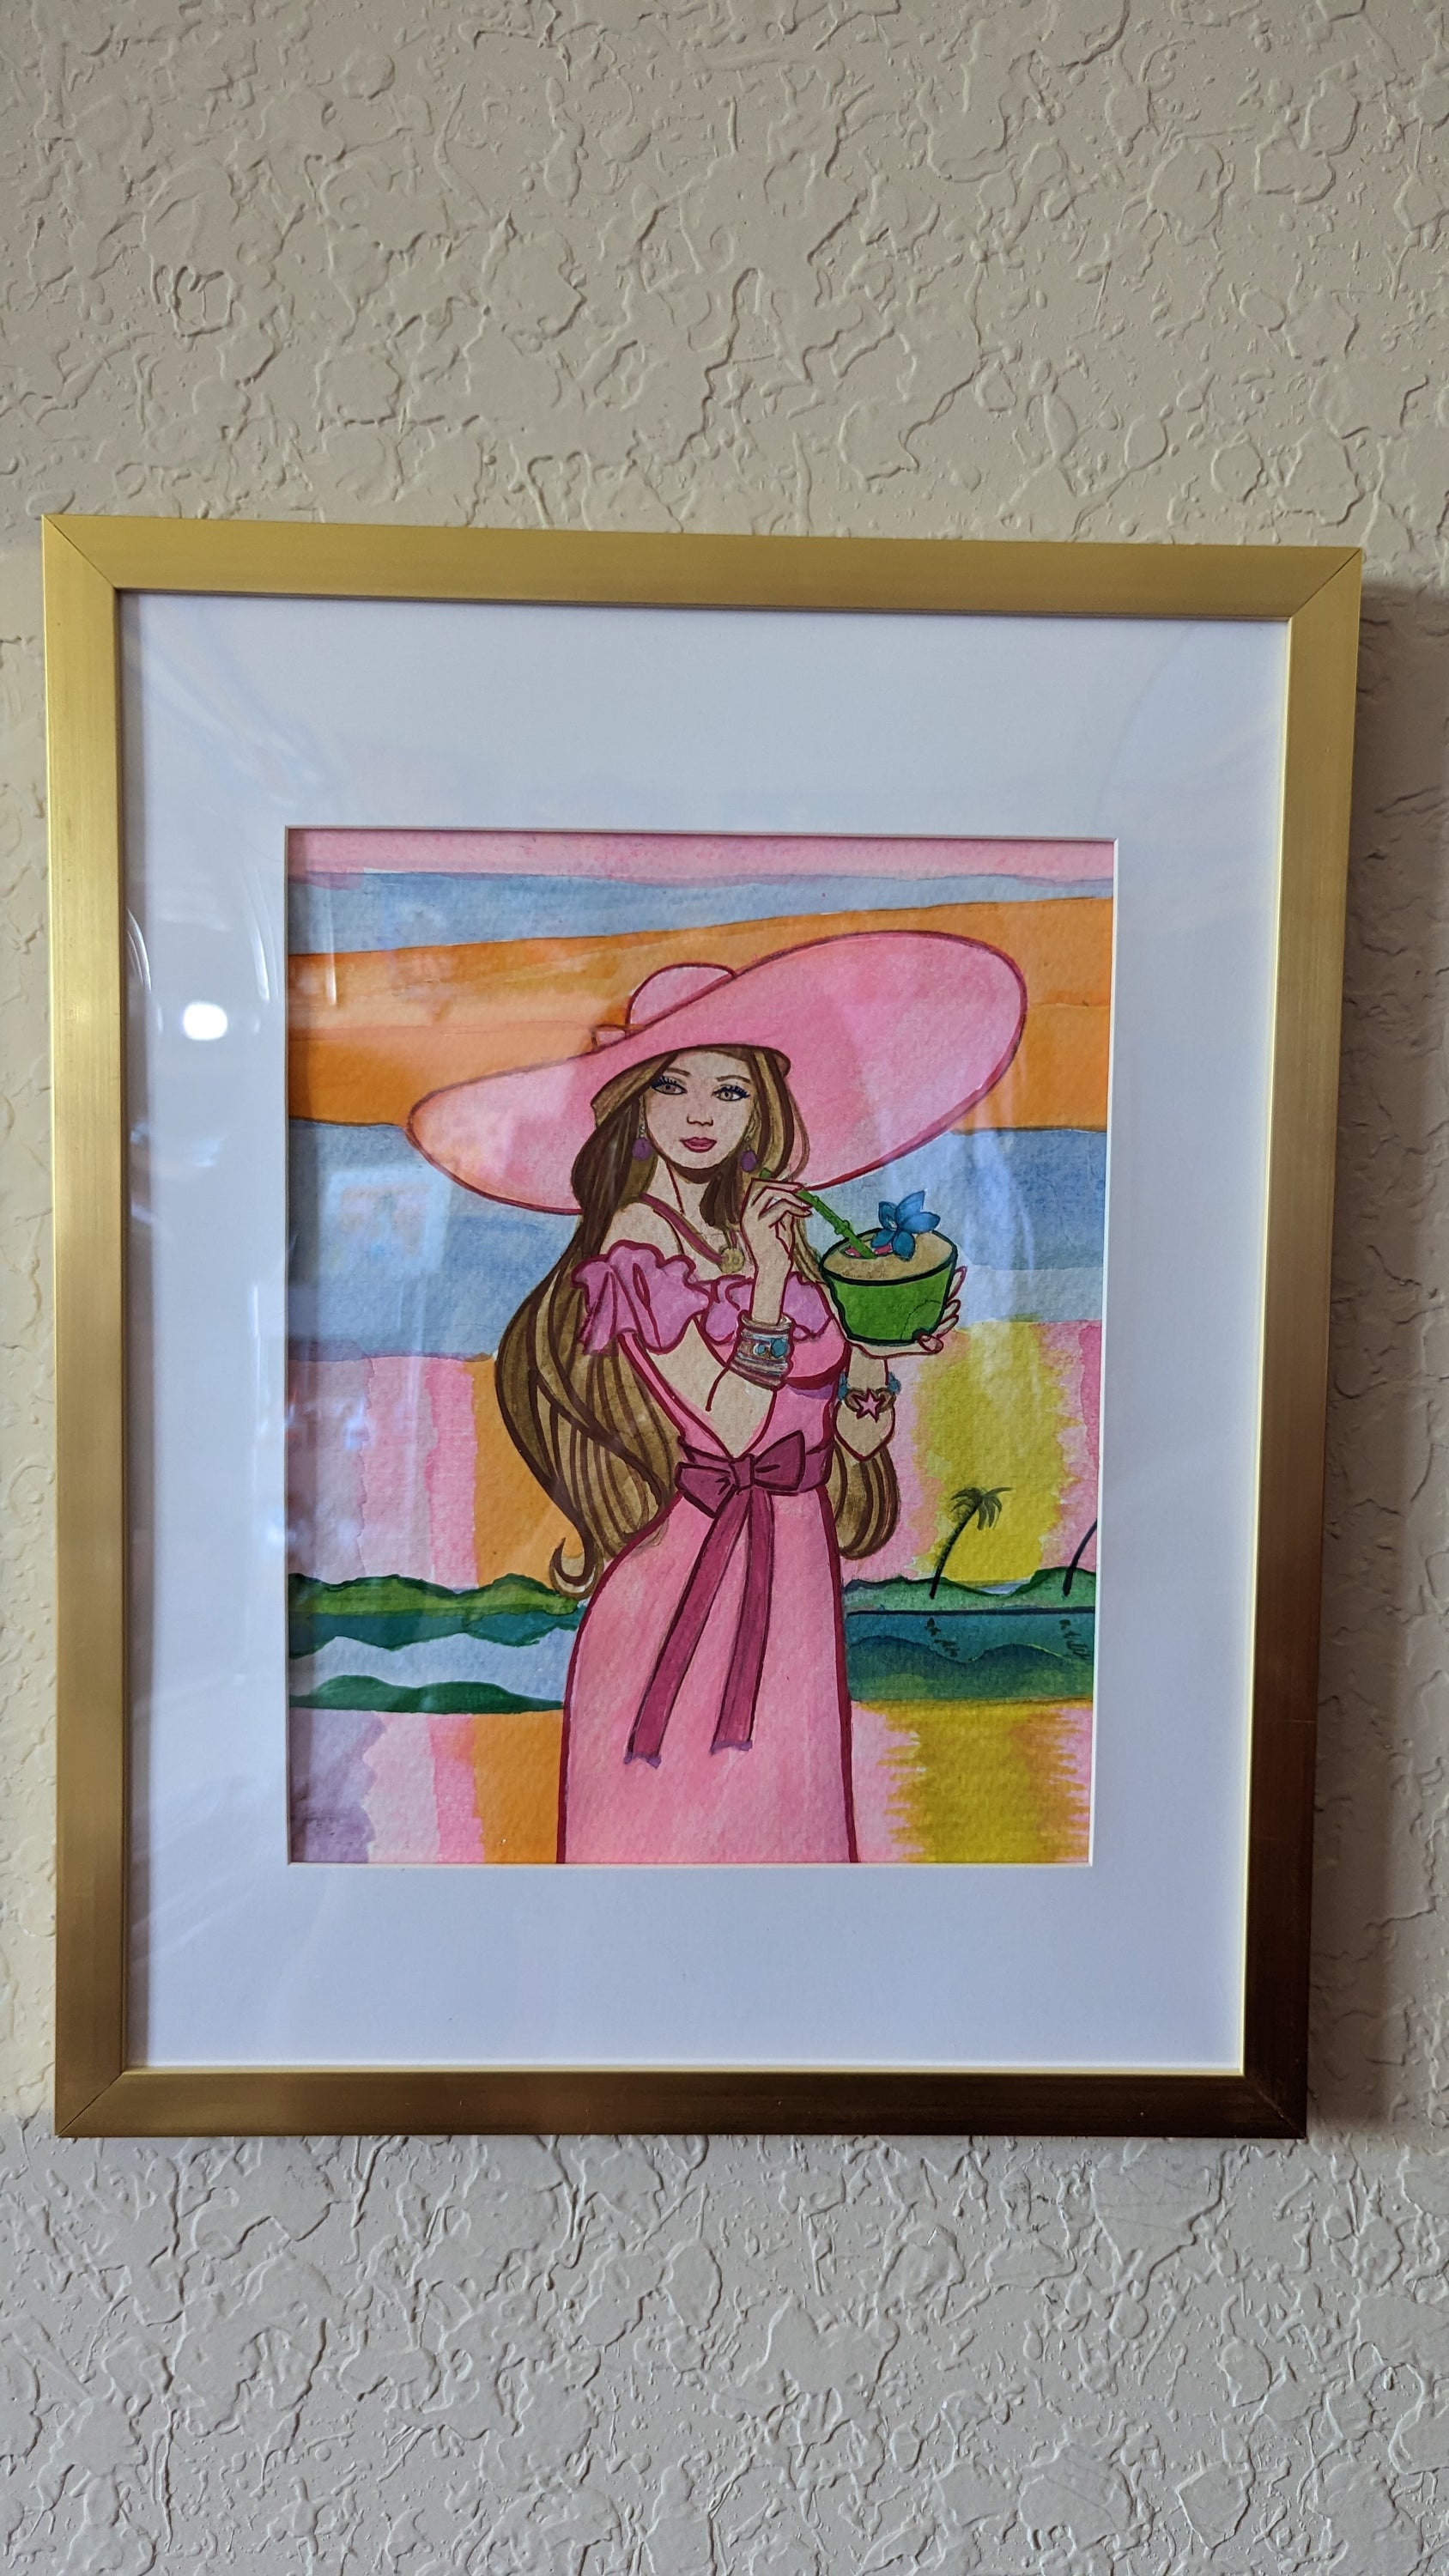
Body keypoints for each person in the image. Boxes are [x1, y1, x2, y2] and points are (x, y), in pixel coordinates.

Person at [409, 933, 1026, 1864]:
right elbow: (732, 1427)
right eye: (674, 1085)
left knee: (793, 1845)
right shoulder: (635, 1241)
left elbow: (850, 1443)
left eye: (730, 1090)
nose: (702, 1113)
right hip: (686, 1590)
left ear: (760, 1108)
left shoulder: (760, 1230)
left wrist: (872, 1351)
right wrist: (772, 1289)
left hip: (795, 1577)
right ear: (635, 1101)